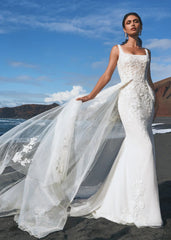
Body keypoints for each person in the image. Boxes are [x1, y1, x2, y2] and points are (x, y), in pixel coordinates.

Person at [0, 12, 163, 238]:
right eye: (128, 22)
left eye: (136, 22)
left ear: (141, 26)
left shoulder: (147, 52)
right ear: (124, 29)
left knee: (139, 148)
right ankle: (139, 205)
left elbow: (149, 79)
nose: (132, 25)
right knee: (143, 146)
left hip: (146, 100)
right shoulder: (117, 48)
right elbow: (107, 75)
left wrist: (155, 103)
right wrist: (92, 95)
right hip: (129, 101)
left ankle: (130, 199)